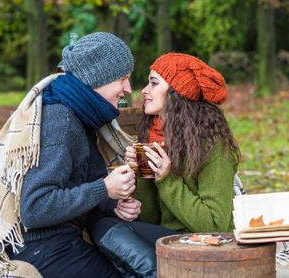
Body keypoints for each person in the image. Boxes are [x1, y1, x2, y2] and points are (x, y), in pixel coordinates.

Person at [0, 32, 137, 278]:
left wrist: (114, 204)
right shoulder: (61, 120)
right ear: (98, 77)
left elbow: (83, 181)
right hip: (39, 248)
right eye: (123, 79)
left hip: (59, 241)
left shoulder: (81, 113)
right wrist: (104, 189)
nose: (128, 89)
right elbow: (35, 209)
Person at [87, 53, 241, 277]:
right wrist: (143, 172)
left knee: (107, 229)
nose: (144, 91)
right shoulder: (154, 136)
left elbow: (214, 225)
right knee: (102, 224)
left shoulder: (212, 145)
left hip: (210, 245)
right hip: (169, 240)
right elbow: (151, 219)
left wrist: (167, 178)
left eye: (154, 83)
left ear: (177, 93)